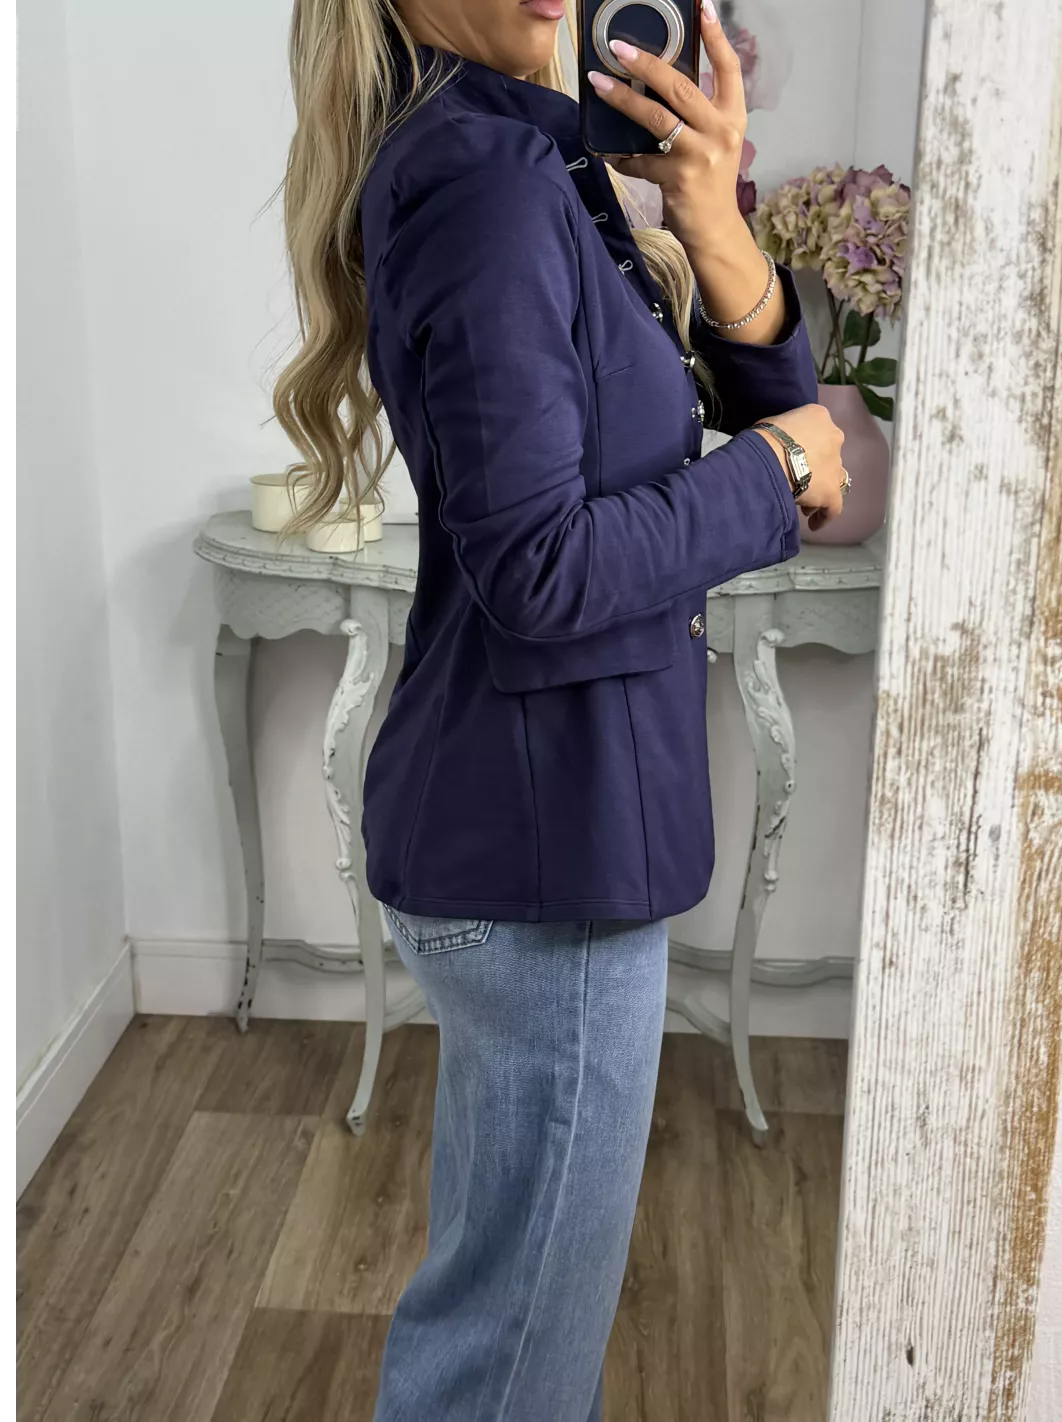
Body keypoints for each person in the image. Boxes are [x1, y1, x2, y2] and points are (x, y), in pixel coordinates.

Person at [274, 1, 846, 1416]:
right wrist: (772, 475)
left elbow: (791, 434)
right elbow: (543, 565)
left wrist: (714, 224)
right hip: (545, 855)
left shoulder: (536, 155)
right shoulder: (483, 179)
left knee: (509, 1330)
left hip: (540, 835)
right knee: (512, 1365)